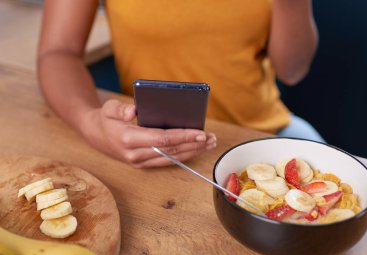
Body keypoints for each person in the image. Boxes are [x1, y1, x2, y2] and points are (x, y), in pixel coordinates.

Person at [38, 0, 322, 169]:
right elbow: (57, 52)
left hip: (262, 134)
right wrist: (90, 121)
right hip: (146, 140)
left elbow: (292, 71)